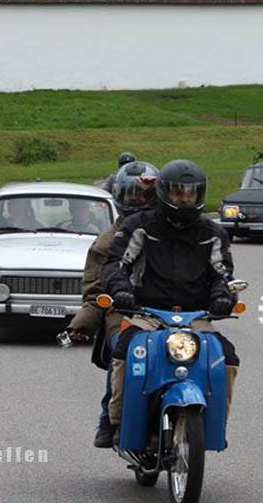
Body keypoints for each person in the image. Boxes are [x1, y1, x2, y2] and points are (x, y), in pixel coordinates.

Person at [100, 159, 240, 445]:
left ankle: (215, 426)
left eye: (191, 193)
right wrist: (122, 291)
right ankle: (114, 422)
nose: (185, 199)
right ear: (164, 192)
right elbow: (115, 264)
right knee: (127, 351)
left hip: (196, 316)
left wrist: (223, 297)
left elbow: (222, 274)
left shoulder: (213, 233)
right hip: (146, 313)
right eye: (178, 192)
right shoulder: (139, 226)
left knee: (226, 356)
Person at [57, 161, 159, 448]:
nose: (137, 201)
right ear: (119, 197)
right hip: (123, 312)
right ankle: (109, 418)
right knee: (126, 351)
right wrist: (82, 323)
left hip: (169, 312)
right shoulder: (107, 241)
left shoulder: (169, 233)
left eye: (143, 195)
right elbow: (95, 291)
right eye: (130, 195)